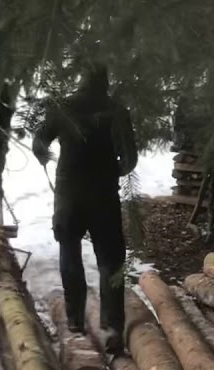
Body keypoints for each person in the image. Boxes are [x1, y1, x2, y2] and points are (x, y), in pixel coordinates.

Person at [33, 66, 138, 352]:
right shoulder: (117, 110)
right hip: (104, 194)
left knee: (69, 251)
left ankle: (75, 319)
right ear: (105, 82)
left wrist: (44, 154)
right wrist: (113, 171)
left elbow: (39, 142)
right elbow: (130, 159)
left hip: (69, 194)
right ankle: (112, 325)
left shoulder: (62, 107)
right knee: (111, 260)